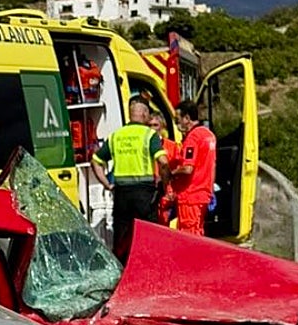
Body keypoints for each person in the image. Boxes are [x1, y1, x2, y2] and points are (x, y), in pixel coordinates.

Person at [90, 96, 170, 262]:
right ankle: (148, 266)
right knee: (149, 234)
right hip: (144, 194)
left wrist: (107, 185)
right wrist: (164, 183)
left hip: (121, 194)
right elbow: (163, 162)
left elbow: (95, 161)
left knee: (122, 236)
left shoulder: (116, 136)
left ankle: (122, 269)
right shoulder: (149, 135)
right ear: (145, 114)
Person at [163, 100, 216, 237]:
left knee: (189, 235)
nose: (176, 124)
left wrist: (171, 173)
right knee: (198, 232)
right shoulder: (208, 135)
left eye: (177, 119)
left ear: (187, 118)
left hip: (190, 195)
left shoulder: (193, 138)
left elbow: (188, 168)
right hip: (203, 193)